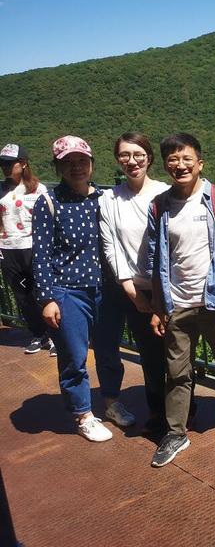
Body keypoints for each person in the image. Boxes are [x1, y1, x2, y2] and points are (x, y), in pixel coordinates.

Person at [147, 133, 215, 467]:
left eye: (186, 159)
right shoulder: (159, 206)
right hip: (177, 303)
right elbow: (156, 259)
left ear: (200, 163)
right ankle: (176, 432)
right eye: (173, 160)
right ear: (165, 166)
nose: (180, 165)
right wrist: (158, 306)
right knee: (176, 372)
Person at [32, 135, 120, 442]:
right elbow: (41, 254)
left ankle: (112, 402)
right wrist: (47, 298)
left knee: (109, 351)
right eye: (68, 163)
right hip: (67, 291)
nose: (76, 167)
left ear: (92, 163)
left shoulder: (104, 199)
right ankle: (83, 414)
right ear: (57, 168)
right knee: (74, 357)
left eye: (82, 161)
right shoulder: (49, 202)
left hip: (106, 290)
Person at [98, 133, 171, 435]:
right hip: (134, 290)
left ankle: (183, 410)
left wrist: (163, 295)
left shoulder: (166, 193)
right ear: (118, 160)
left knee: (177, 353)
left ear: (149, 157)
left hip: (170, 288)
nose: (132, 161)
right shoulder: (109, 199)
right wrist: (130, 289)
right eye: (125, 155)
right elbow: (111, 246)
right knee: (150, 357)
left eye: (138, 154)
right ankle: (157, 412)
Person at [0, 144, 51, 355]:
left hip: (33, 247)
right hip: (7, 248)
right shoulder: (1, 189)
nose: (5, 167)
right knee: (22, 295)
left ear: (23, 163)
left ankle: (55, 335)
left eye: (9, 163)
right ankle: (39, 334)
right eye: (2, 164)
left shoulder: (39, 189)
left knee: (42, 291)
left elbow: (47, 219)